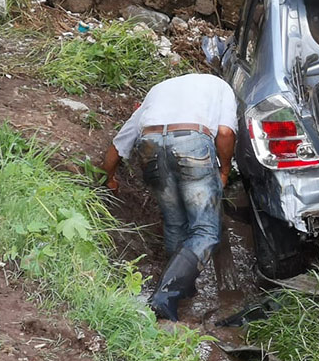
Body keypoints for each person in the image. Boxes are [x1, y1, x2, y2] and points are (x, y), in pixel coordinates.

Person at [101, 73, 237, 321]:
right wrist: (225, 169)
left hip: (149, 146)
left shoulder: (158, 90)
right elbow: (226, 133)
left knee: (175, 223)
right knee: (206, 230)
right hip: (192, 145)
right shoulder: (221, 87)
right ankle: (165, 296)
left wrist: (108, 177)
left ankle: (181, 290)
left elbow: (121, 141)